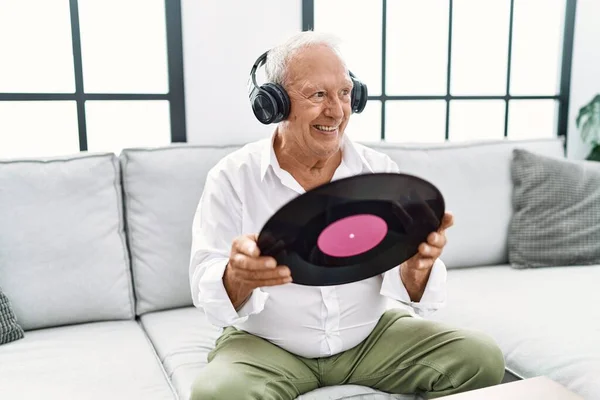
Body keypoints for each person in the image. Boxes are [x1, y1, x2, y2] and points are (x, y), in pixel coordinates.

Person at [188, 31, 505, 400]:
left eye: (344, 92)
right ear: (273, 104)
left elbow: (413, 287)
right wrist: (238, 277)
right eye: (318, 94)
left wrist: (415, 270)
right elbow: (204, 279)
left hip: (369, 339)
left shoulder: (378, 170)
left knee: (482, 358)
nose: (337, 111)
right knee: (217, 394)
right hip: (267, 345)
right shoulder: (232, 176)